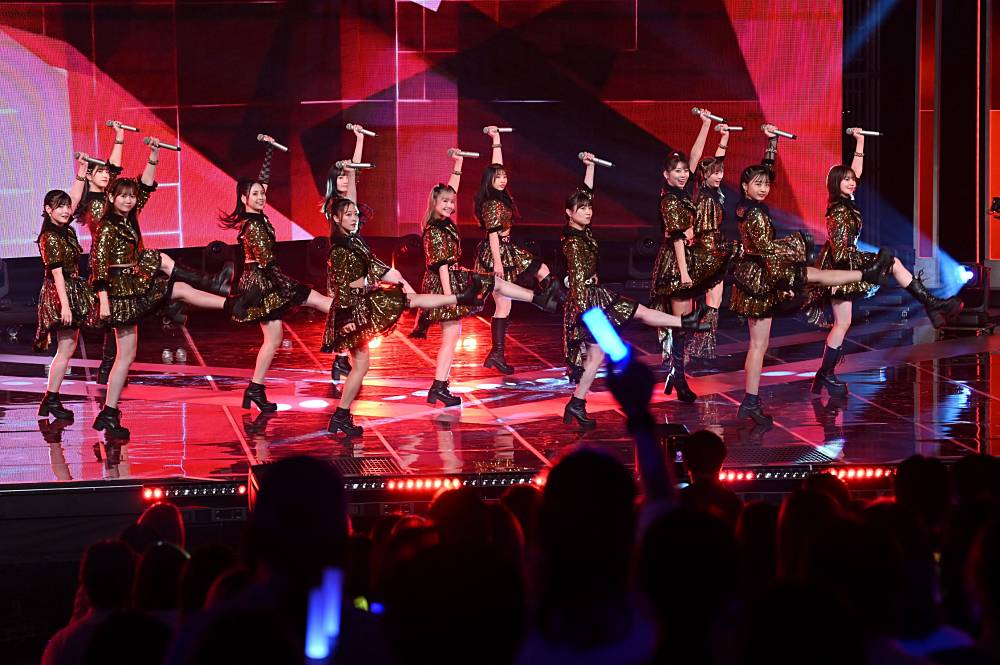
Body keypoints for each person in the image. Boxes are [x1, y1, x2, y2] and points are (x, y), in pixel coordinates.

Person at [728, 126, 893, 424]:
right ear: (744, 186)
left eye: (766, 184)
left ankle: (751, 402)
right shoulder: (755, 213)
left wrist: (772, 142)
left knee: (763, 341)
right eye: (757, 185)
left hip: (758, 273)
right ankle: (750, 402)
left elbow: (766, 172)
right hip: (761, 276)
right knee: (760, 344)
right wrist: (791, 263)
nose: (764, 188)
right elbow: (767, 250)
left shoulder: (749, 205)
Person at [92, 139, 240, 437]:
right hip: (120, 294)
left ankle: (227, 301)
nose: (128, 201)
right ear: (111, 197)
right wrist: (104, 301)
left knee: (178, 289)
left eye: (131, 197)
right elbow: (97, 265)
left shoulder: (129, 217)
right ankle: (108, 413)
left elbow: (146, 187)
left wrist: (154, 155)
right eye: (122, 197)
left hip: (135, 284)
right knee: (125, 357)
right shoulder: (106, 226)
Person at [808, 128, 963, 396]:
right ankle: (932, 304)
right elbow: (841, 251)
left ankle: (824, 375)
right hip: (841, 267)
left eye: (852, 180)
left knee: (844, 322)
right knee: (888, 264)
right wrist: (866, 266)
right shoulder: (839, 210)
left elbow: (856, 172)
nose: (852, 182)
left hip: (844, 263)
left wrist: (860, 141)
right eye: (846, 180)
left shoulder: (845, 200)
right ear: (835, 183)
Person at [560, 154, 709, 429]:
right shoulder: (573, 243)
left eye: (589, 208)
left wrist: (590, 167)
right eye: (582, 210)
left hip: (592, 298)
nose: (588, 212)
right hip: (588, 304)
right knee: (626, 327)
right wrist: (584, 316)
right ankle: (684, 322)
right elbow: (578, 282)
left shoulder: (580, 231)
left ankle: (577, 404)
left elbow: (586, 193)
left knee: (602, 351)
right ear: (569, 213)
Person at [323, 198, 486, 436]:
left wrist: (385, 281)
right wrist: (349, 318)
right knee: (361, 367)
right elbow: (344, 288)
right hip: (351, 311)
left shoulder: (355, 242)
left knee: (409, 302)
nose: (354, 218)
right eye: (348, 215)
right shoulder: (339, 250)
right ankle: (340, 416)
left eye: (356, 214)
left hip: (362, 303)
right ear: (336, 219)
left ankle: (460, 297)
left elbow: (372, 268)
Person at [220, 137, 333, 412]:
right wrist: (288, 288)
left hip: (264, 278)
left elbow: (264, 181)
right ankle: (350, 330)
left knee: (275, 337)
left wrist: (270, 150)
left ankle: (255, 390)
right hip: (263, 282)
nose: (261, 196)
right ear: (244, 199)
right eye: (255, 194)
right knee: (290, 323)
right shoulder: (254, 226)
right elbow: (267, 263)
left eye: (262, 193)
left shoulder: (256, 217)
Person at [649, 110, 735, 402]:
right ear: (666, 174)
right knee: (680, 323)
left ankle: (677, 373)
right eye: (677, 171)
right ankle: (679, 377)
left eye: (685, 170)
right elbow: (676, 238)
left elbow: (695, 156)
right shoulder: (671, 200)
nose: (683, 174)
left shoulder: (684, 192)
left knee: (685, 322)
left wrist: (706, 125)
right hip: (678, 263)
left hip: (691, 256)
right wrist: (685, 273)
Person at [473, 126, 564, 375]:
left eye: (504, 176)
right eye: (498, 177)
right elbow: (493, 234)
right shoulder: (492, 203)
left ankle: (497, 354)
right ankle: (555, 300)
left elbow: (497, 165)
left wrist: (496, 139)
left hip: (506, 247)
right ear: (490, 181)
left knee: (505, 305)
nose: (503, 180)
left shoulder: (498, 197)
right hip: (496, 251)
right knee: (536, 273)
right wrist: (497, 263)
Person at [410, 151, 491, 406]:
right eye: (444, 202)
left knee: (453, 334)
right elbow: (442, 266)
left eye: (452, 202)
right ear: (434, 202)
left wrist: (459, 163)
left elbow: (450, 191)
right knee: (452, 334)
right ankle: (439, 386)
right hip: (442, 284)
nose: (449, 205)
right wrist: (450, 298)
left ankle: (440, 386)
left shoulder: (443, 222)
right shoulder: (435, 229)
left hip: (450, 281)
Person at [35, 157, 99, 421]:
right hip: (59, 292)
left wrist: (82, 171)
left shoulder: (63, 229)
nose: (65, 210)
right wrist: (66, 306)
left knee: (68, 348)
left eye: (66, 206)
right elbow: (57, 274)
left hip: (71, 288)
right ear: (48, 209)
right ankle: (51, 399)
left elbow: (74, 198)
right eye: (59, 207)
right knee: (65, 349)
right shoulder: (50, 236)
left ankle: (50, 400)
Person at [322, 123, 374, 383]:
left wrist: (359, 139)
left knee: (354, 308)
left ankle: (341, 361)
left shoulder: (349, 201)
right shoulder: (335, 205)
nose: (345, 180)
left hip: (355, 257)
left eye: (346, 176)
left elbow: (355, 169)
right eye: (340, 177)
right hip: (343, 260)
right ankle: (341, 360)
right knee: (345, 308)